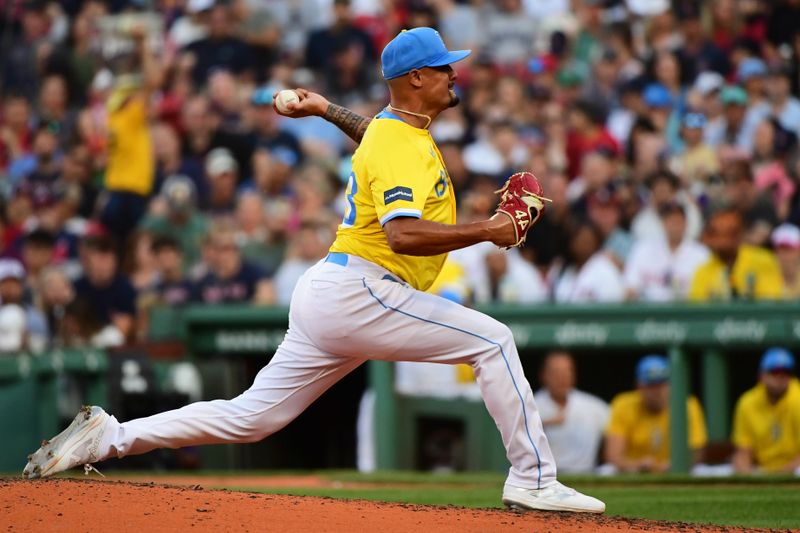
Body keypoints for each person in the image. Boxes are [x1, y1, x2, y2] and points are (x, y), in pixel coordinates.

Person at [24, 28, 604, 514]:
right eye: (444, 67)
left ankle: (112, 436)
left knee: (251, 418)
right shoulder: (399, 139)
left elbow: (370, 132)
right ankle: (531, 478)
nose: (455, 74)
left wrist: (325, 108)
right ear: (415, 79)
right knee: (494, 340)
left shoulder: (393, 130)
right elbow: (402, 234)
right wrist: (488, 229)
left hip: (336, 290)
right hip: (363, 289)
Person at [604, 355, 707, 473]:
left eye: (662, 384)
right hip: (633, 472)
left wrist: (674, 464)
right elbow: (613, 455)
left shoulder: (687, 404)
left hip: (676, 470)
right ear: (639, 386)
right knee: (607, 470)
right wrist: (638, 464)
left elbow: (697, 453)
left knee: (701, 470)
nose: (657, 391)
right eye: (651, 386)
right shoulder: (623, 404)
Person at [533, 351, 609, 474]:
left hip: (587, 476)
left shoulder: (594, 406)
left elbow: (615, 435)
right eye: (556, 372)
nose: (562, 377)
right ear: (543, 375)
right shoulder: (530, 406)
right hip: (545, 477)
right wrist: (542, 424)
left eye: (567, 371)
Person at [689, 206, 782, 301]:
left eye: (728, 235)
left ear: (738, 236)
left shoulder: (763, 260)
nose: (722, 243)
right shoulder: (703, 271)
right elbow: (698, 308)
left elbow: (771, 300)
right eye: (717, 236)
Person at [732, 348, 800, 475]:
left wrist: (779, 475)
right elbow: (744, 450)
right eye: (774, 372)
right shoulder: (748, 402)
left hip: (795, 469)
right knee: (733, 464)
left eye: (786, 372)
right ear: (761, 376)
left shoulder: (798, 398)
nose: (780, 377)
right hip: (762, 468)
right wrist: (746, 473)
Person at [624, 202, 709, 302]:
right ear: (663, 223)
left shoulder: (702, 254)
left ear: (686, 223)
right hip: (650, 312)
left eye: (677, 221)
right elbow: (630, 287)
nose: (674, 226)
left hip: (688, 312)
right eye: (670, 221)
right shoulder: (643, 249)